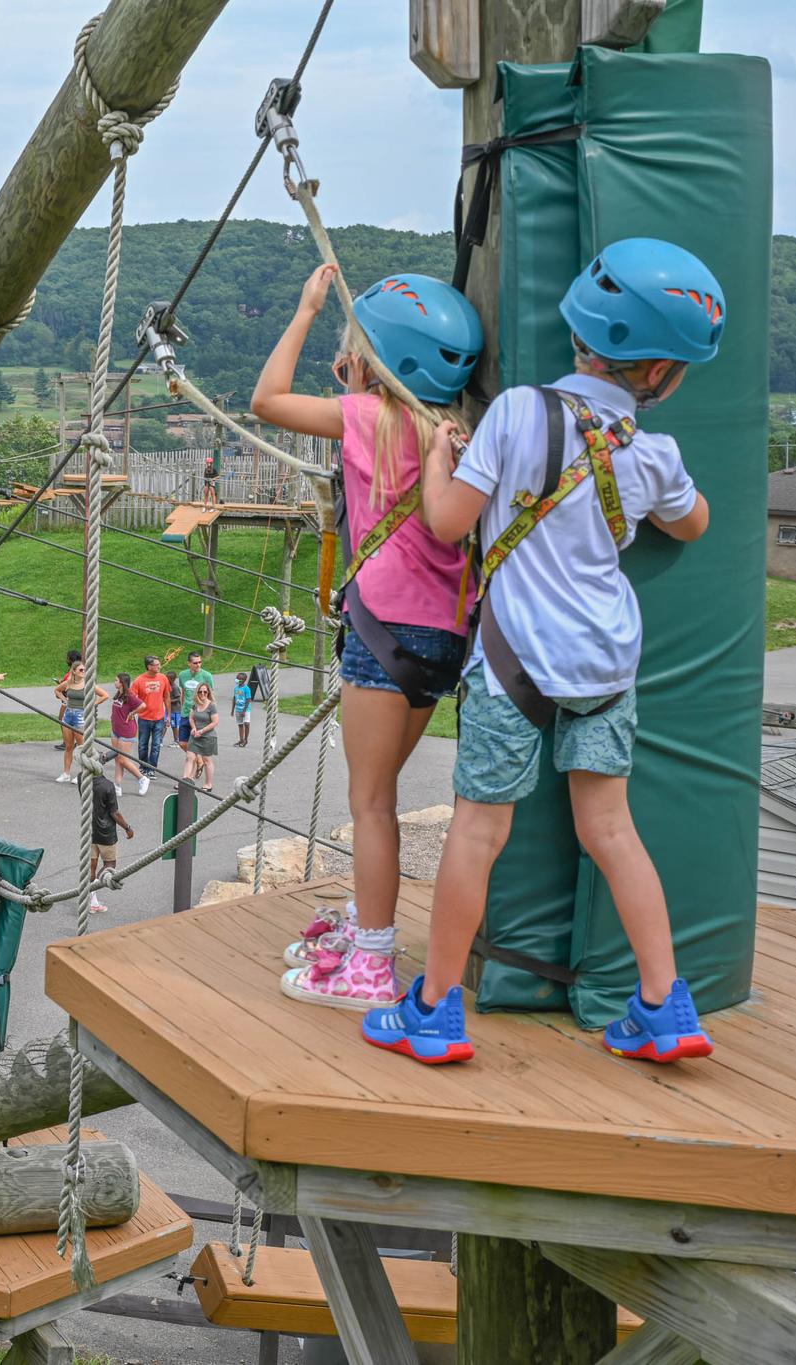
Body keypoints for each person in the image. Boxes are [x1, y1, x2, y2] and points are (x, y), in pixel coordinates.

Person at [361, 238, 724, 1066]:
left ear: (580, 332)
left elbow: (450, 522)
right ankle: (666, 1006)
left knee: (479, 831)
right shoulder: (652, 452)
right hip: (607, 663)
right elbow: (694, 522)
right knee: (612, 830)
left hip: (516, 663)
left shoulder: (520, 412)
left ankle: (433, 1009)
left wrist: (440, 462)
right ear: (663, 373)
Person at [253, 262, 481, 1010]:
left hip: (383, 635)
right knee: (379, 795)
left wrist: (306, 306)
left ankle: (374, 960)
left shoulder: (366, 421)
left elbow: (268, 400)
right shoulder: (454, 428)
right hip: (444, 636)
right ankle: (370, 923)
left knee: (371, 802)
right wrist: (362, 382)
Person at [53, 652, 108, 783]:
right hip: (68, 715)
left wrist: (93, 704)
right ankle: (66, 773)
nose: (83, 671)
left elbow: (105, 695)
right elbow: (57, 690)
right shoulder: (69, 682)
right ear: (74, 671)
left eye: (84, 669)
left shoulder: (88, 683)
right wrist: (64, 699)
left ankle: (83, 774)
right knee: (68, 746)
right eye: (81, 670)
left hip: (80, 716)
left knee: (82, 747)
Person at [88, 772, 134, 915]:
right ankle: (91, 894)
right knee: (109, 866)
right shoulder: (107, 786)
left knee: (91, 866)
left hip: (89, 828)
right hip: (105, 833)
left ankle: (92, 900)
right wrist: (127, 828)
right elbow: (115, 813)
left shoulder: (81, 779)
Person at [128, 657, 167, 791]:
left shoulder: (163, 678)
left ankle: (152, 769)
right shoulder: (139, 680)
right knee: (143, 744)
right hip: (144, 718)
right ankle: (143, 766)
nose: (159, 667)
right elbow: (132, 698)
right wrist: (133, 712)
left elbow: (166, 696)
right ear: (149, 666)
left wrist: (167, 714)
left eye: (159, 664)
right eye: (156, 665)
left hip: (159, 717)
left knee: (156, 744)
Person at [108, 671, 143, 791]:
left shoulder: (130, 695)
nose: (114, 682)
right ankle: (117, 785)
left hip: (126, 731)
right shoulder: (119, 694)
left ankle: (142, 778)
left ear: (122, 682)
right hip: (116, 730)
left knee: (123, 759)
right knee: (117, 758)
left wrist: (132, 713)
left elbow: (143, 706)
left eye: (116, 680)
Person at [176, 650, 218, 746]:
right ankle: (196, 760)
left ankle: (196, 760)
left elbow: (211, 695)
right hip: (186, 713)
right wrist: (183, 707)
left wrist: (211, 713)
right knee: (182, 743)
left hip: (200, 714)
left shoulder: (207, 676)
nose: (198, 665)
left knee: (197, 744)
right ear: (189, 663)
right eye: (195, 663)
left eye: (200, 662)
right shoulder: (183, 675)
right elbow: (183, 692)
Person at [186, 682, 220, 788]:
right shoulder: (195, 704)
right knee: (190, 757)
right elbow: (191, 718)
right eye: (200, 691)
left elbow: (215, 722)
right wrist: (194, 728)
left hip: (208, 736)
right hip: (195, 735)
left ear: (208, 692)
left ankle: (208, 784)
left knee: (206, 760)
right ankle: (186, 780)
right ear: (197, 692)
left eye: (205, 691)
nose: (202, 694)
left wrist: (202, 731)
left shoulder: (211, 705)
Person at [232, 668, 254, 748]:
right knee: (240, 724)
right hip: (238, 709)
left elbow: (248, 700)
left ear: (243, 680)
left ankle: (245, 739)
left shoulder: (246, 688)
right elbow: (234, 698)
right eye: (237, 678)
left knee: (247, 724)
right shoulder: (236, 688)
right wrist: (232, 710)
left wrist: (244, 711)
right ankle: (241, 740)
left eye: (238, 678)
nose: (237, 679)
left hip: (246, 709)